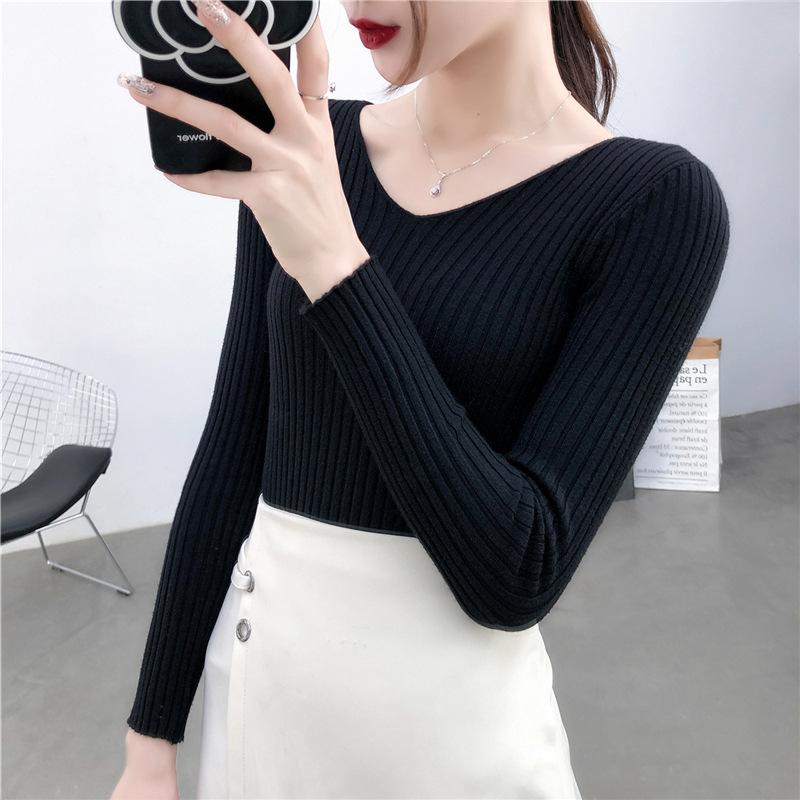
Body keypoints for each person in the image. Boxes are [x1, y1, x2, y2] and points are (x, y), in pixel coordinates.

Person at [111, 0, 731, 798]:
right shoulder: (315, 146)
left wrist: (333, 261)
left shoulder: (653, 201)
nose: (357, 4)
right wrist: (151, 740)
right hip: (260, 715)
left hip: (453, 748)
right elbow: (232, 455)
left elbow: (519, 573)